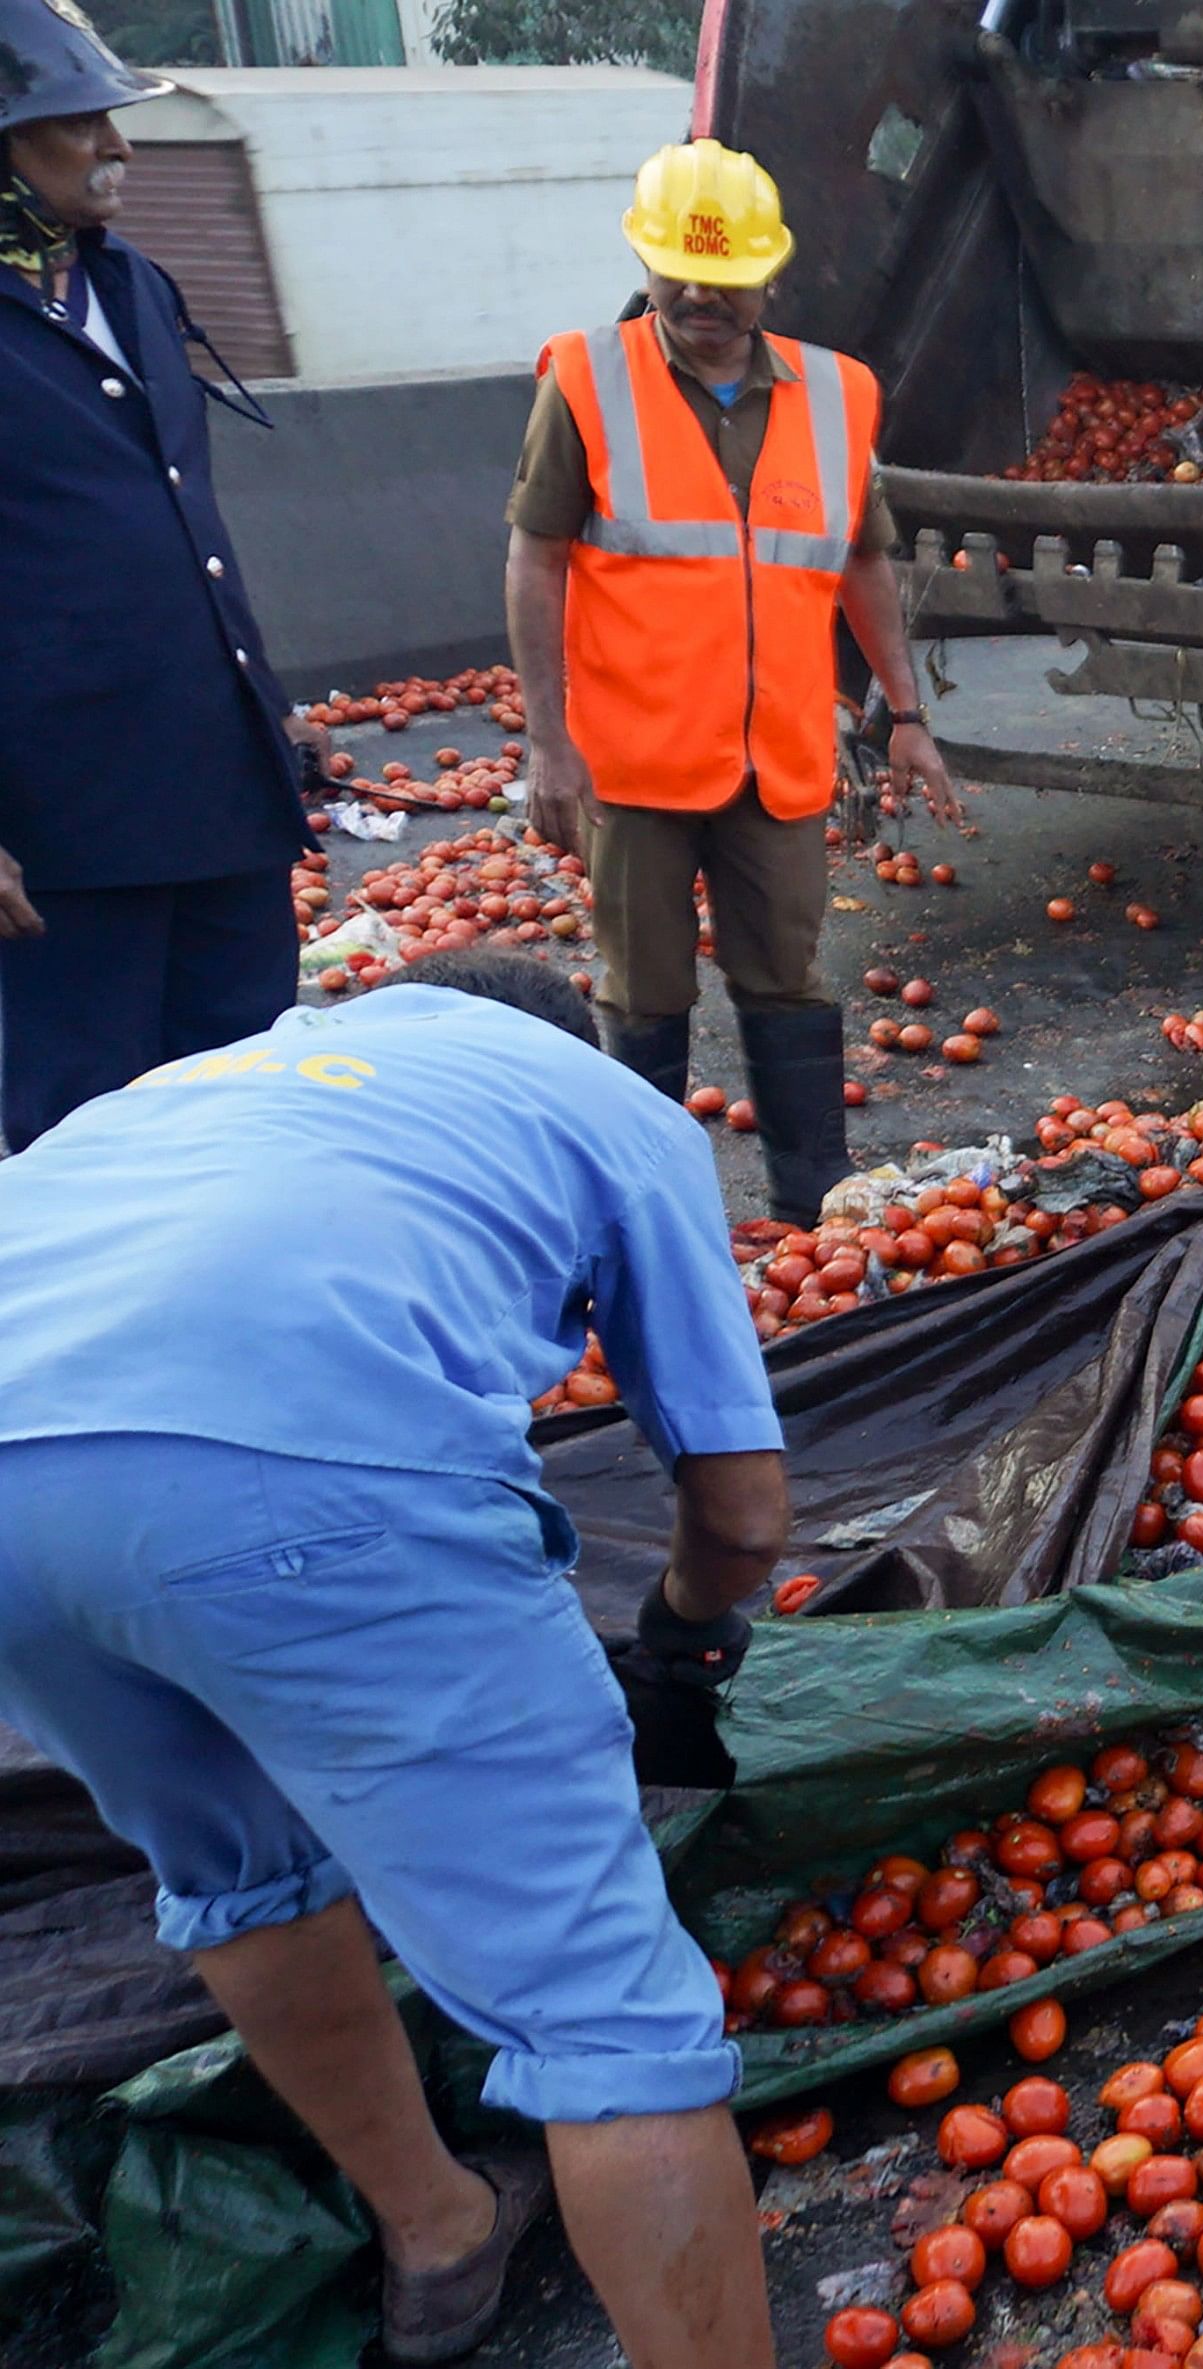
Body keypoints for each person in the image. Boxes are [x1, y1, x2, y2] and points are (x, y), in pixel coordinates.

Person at [0, 949, 788, 2369]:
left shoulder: (185, 1088)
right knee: (602, 2016)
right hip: (309, 1474)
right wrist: (681, 1625)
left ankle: (438, 2235)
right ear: (575, 1038)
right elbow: (742, 1513)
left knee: (234, 1871)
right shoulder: (606, 1107)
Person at [509, 138, 956, 1225]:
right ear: (646, 259)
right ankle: (644, 1224)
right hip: (640, 762)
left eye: (728, 273)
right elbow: (536, 558)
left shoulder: (839, 393)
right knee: (643, 994)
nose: (702, 293)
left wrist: (906, 712)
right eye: (678, 268)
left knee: (789, 980)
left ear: (772, 272)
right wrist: (547, 740)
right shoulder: (586, 378)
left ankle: (816, 1210)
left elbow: (861, 559)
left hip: (777, 760)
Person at [0, 0, 324, 1149]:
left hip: (221, 801)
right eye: (81, 122)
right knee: (91, 1141)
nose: (119, 147)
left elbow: (192, 530)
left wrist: (266, 716)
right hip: (63, 843)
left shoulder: (130, 284)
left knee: (246, 1110)